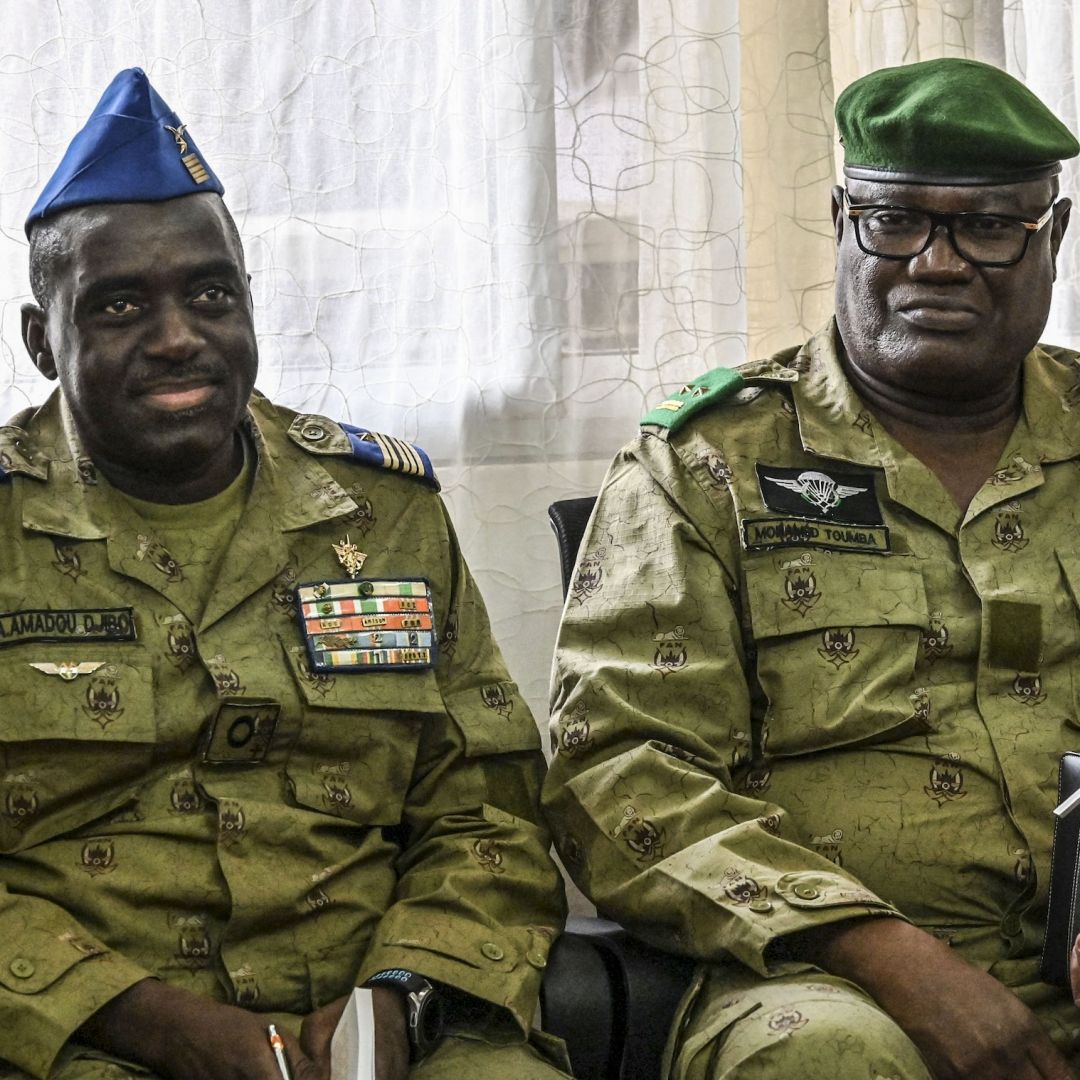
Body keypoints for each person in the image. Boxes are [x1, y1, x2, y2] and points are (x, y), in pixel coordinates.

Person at [0, 68, 569, 1080]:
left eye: (211, 294)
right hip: (81, 1038)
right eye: (121, 304)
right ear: (45, 341)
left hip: (373, 1032)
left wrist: (405, 997)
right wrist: (155, 1025)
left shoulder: (383, 513)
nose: (179, 337)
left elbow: (486, 810)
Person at [545, 57, 1080, 1079]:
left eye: (990, 226)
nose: (937, 261)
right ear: (841, 218)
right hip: (813, 976)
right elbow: (618, 772)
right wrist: (888, 955)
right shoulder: (706, 465)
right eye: (895, 219)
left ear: (1051, 236)